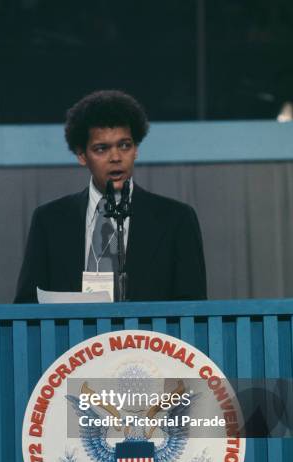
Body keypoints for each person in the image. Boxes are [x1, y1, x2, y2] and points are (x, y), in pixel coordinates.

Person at [14, 90, 207, 303]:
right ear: (81, 155)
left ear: (136, 150)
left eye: (125, 145)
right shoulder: (49, 221)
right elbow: (26, 307)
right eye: (101, 149)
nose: (116, 157)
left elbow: (193, 311)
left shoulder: (176, 219)